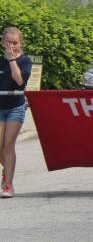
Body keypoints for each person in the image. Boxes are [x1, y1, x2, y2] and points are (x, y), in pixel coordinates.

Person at [0, 27, 31, 198]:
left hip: (15, 108)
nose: (12, 46)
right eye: (8, 43)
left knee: (8, 145)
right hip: (0, 107)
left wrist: (12, 60)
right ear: (3, 43)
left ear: (20, 43)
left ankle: (8, 185)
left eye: (15, 43)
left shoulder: (25, 61)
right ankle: (7, 171)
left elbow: (20, 82)